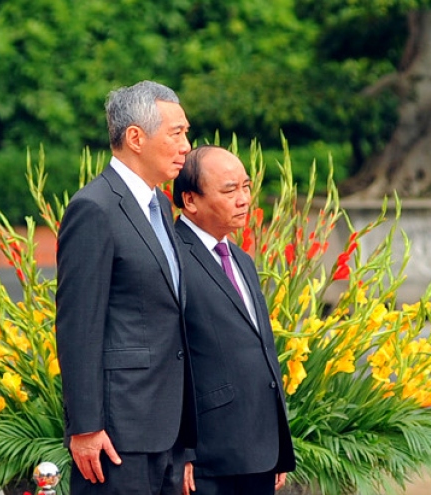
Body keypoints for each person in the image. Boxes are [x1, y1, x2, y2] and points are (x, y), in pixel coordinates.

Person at [56, 80, 197, 495]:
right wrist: (85, 426)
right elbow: (78, 325)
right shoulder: (94, 208)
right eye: (177, 133)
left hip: (168, 430)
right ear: (136, 137)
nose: (186, 145)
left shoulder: (160, 206)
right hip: (118, 436)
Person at [172, 145, 296, 495]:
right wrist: (184, 449)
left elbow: (261, 349)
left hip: (259, 449)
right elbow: (170, 356)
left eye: (246, 186)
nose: (243, 199)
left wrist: (278, 442)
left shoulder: (239, 258)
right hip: (210, 457)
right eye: (229, 190)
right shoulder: (172, 256)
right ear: (191, 200)